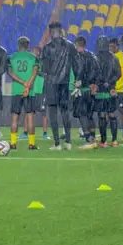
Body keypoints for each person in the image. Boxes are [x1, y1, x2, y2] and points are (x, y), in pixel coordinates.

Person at [40, 21, 77, 151]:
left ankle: (57, 143)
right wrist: (78, 79)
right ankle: (68, 141)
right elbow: (76, 64)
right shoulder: (70, 46)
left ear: (51, 32)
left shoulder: (47, 48)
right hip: (64, 84)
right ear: (61, 31)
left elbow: (43, 69)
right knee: (65, 112)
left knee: (53, 114)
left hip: (51, 84)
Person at [7, 36, 39, 150]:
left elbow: (10, 73)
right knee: (30, 118)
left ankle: (13, 143)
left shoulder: (12, 57)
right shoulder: (33, 57)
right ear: (28, 45)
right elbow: (35, 72)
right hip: (29, 91)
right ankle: (31, 144)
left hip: (16, 91)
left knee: (14, 118)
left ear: (18, 45)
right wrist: (28, 85)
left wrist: (22, 82)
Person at [89, 36, 121, 148]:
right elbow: (118, 74)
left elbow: (93, 74)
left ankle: (104, 141)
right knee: (112, 114)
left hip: (100, 91)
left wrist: (97, 83)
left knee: (102, 115)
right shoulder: (114, 58)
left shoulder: (95, 58)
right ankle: (115, 140)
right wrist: (110, 82)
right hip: (111, 90)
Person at [72, 36, 100, 148]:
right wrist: (95, 84)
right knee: (89, 114)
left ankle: (88, 138)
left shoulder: (78, 56)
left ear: (76, 45)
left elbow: (79, 70)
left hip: (82, 89)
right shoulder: (93, 56)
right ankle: (92, 136)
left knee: (82, 114)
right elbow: (98, 71)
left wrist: (78, 82)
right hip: (91, 89)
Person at [109, 37, 123, 141]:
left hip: (120, 90)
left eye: (112, 46)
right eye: (109, 46)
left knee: (122, 112)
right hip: (111, 89)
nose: (111, 48)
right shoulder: (110, 56)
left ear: (117, 46)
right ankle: (112, 134)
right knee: (109, 111)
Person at [31, 46, 50, 141]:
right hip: (32, 90)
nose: (33, 53)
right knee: (30, 112)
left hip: (42, 90)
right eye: (33, 51)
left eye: (35, 51)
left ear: (39, 52)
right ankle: (27, 132)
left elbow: (46, 74)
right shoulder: (31, 62)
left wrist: (38, 72)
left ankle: (45, 133)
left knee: (44, 113)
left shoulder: (43, 62)